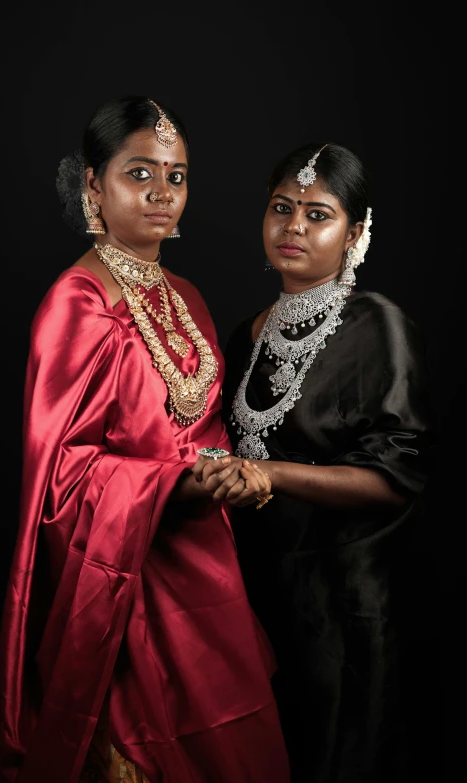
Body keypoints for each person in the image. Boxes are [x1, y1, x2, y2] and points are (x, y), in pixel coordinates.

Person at [0, 95, 290, 783]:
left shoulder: (187, 295)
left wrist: (226, 474)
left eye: (177, 176)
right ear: (94, 184)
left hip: (208, 577)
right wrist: (170, 485)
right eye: (139, 173)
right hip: (122, 589)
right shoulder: (78, 301)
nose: (162, 193)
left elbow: (203, 429)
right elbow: (60, 478)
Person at [221, 142, 435, 782]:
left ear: (355, 233)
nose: (293, 227)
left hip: (349, 612)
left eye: (318, 214)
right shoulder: (247, 336)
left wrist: (270, 475)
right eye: (281, 208)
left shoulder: (379, 326)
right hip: (260, 605)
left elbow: (396, 478)